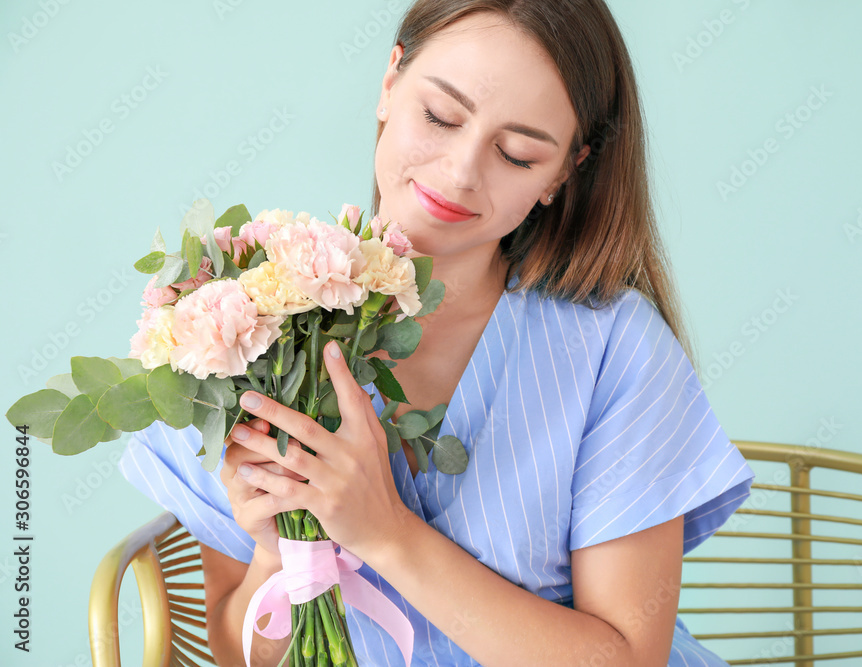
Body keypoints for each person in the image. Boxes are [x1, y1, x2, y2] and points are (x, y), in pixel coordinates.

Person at [118, 1, 755, 665]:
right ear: (390, 83)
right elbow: (237, 649)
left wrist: (386, 532)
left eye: (517, 154)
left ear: (564, 172)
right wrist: (281, 551)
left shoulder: (614, 348)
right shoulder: (246, 328)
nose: (458, 172)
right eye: (440, 116)